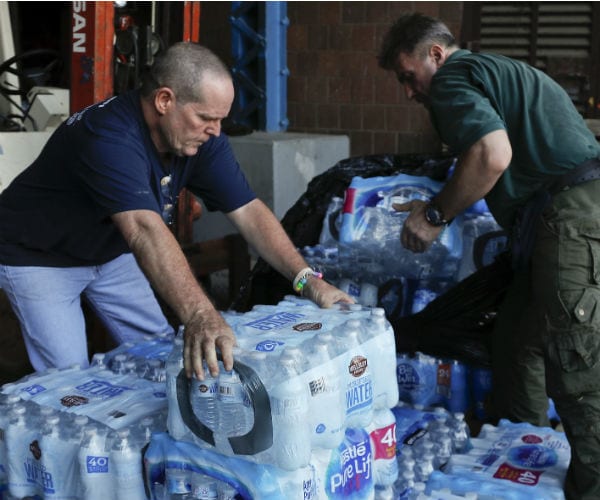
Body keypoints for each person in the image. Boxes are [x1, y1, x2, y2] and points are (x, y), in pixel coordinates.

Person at [0, 42, 353, 382]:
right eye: (205, 118)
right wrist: (201, 315)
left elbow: (248, 211)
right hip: (39, 256)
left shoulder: (202, 139)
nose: (215, 131)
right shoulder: (108, 136)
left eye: (220, 120)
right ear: (165, 100)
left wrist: (307, 281)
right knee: (69, 379)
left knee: (158, 354)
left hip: (108, 249)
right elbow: (144, 229)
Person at [378, 12, 600, 499]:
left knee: (576, 365)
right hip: (550, 222)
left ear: (435, 55)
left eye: (407, 76)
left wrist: (434, 216)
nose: (410, 92)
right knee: (517, 339)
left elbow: (491, 154)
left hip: (569, 220)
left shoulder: (454, 77)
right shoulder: (493, 71)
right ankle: (525, 463)